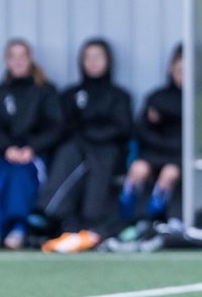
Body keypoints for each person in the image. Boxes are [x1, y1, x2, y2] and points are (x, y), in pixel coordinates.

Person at [38, 38, 133, 253]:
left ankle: (82, 221)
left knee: (97, 155)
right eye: (88, 57)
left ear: (108, 60)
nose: (93, 62)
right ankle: (70, 222)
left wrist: (92, 133)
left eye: (98, 56)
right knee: (71, 153)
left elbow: (122, 128)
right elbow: (64, 127)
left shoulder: (119, 96)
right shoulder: (70, 95)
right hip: (79, 151)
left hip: (109, 154)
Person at [0, 39, 62, 250]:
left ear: (30, 59)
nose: (17, 61)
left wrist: (32, 148)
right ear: (7, 61)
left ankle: (19, 227)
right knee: (0, 174)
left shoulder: (45, 91)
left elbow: (55, 126)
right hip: (5, 153)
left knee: (22, 173)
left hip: (35, 155)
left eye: (22, 56)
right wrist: (7, 148)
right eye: (13, 56)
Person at [120, 44, 183, 223]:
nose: (182, 76)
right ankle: (126, 214)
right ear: (171, 68)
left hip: (178, 157)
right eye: (179, 70)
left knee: (169, 173)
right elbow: (141, 130)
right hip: (154, 153)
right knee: (138, 169)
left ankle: (154, 214)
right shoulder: (158, 97)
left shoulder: (198, 99)